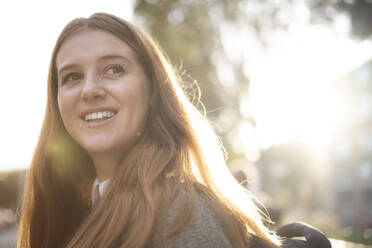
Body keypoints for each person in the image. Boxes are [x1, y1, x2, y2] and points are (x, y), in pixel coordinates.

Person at [17, 12, 284, 248]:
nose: (89, 90)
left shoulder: (180, 214)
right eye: (72, 77)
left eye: (113, 69)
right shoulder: (74, 212)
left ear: (153, 91)